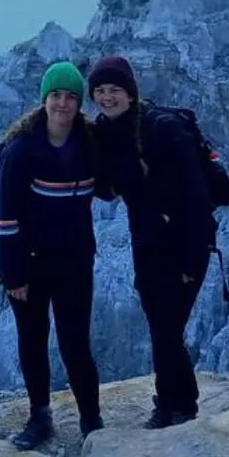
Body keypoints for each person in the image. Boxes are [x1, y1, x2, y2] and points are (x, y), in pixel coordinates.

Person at [87, 54, 216, 428]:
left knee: (167, 325)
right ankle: (175, 403)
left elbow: (197, 199)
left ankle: (177, 406)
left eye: (114, 89)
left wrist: (192, 261)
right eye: (100, 90)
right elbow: (109, 189)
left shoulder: (164, 129)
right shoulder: (107, 132)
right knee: (162, 325)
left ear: (130, 92)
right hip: (146, 245)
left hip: (182, 244)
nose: (107, 97)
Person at [0, 60, 103, 450]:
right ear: (44, 99)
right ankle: (39, 418)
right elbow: (3, 218)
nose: (63, 104)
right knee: (33, 342)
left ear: (79, 103)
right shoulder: (21, 151)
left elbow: (113, 183)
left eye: (71, 97)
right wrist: (13, 274)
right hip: (30, 266)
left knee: (76, 344)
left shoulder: (90, 145)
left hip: (74, 264)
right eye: (56, 95)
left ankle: (92, 419)